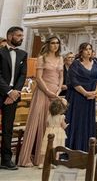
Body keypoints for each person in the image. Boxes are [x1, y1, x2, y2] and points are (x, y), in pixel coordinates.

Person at [18, 35, 63, 167]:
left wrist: (58, 91)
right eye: (53, 43)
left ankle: (46, 158)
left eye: (57, 43)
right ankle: (28, 158)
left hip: (55, 94)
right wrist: (48, 92)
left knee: (52, 126)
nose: (55, 45)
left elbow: (61, 77)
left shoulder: (60, 58)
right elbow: (38, 78)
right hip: (42, 93)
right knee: (37, 123)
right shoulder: (41, 58)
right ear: (48, 44)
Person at [0, 26, 27, 170]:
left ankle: (6, 159)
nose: (22, 38)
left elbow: (23, 75)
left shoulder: (23, 54)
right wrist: (9, 92)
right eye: (18, 35)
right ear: (10, 36)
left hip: (13, 95)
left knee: (8, 128)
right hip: (2, 92)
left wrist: (15, 92)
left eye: (22, 35)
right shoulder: (0, 52)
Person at [66, 42, 97, 152]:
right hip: (77, 97)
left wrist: (95, 92)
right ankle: (74, 147)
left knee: (88, 121)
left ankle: (87, 147)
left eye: (90, 49)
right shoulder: (75, 64)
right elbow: (74, 81)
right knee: (76, 121)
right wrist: (85, 93)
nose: (88, 51)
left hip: (90, 98)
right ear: (81, 51)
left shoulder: (96, 63)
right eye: (86, 49)